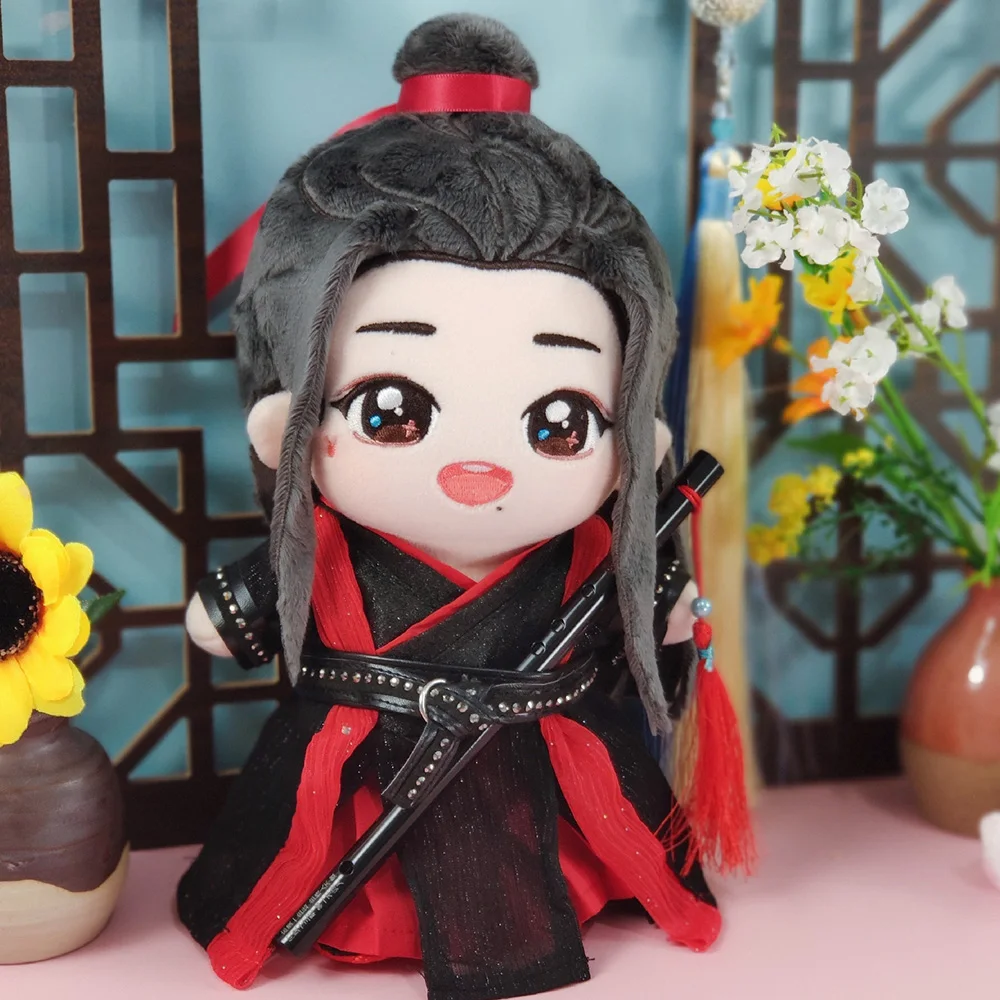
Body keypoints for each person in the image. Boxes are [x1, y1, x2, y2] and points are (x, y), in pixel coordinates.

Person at [177, 15, 737, 1000]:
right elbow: (239, 617)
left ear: (630, 444)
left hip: (542, 771)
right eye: (391, 410)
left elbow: (647, 610)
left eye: (560, 422)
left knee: (544, 850)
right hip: (365, 771)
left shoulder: (589, 551)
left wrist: (670, 607)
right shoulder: (327, 550)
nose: (478, 465)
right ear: (287, 419)